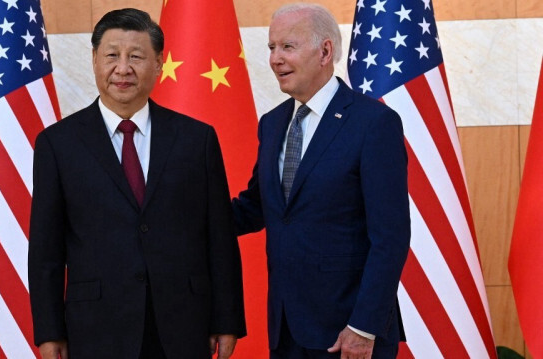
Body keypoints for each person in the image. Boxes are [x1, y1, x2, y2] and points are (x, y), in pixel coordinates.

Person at [28, 8, 246, 359]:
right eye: (112, 55)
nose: (123, 68)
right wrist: (49, 331)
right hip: (96, 327)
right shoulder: (58, 144)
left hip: (183, 325)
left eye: (137, 56)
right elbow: (45, 250)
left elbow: (218, 236)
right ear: (95, 59)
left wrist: (226, 319)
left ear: (159, 63)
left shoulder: (196, 139)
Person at [232, 3, 411, 359]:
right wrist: (183, 214)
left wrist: (364, 327)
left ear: (325, 51)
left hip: (349, 333)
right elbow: (259, 207)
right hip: (286, 330)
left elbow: (390, 237)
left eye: (287, 47)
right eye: (271, 48)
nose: (275, 59)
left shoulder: (373, 123)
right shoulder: (271, 123)